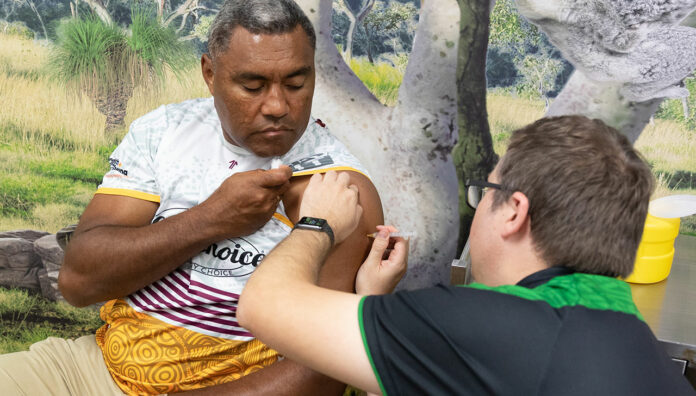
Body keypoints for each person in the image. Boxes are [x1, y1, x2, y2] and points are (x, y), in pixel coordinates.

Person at [0, 1, 383, 395]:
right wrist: (212, 218)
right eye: (253, 86)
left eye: (296, 84)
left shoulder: (338, 191)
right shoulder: (164, 130)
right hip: (93, 368)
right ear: (210, 73)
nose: (277, 106)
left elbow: (320, 372)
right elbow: (79, 282)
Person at [237, 115, 695, 395]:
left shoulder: (496, 327)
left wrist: (318, 223)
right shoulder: (635, 345)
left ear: (514, 211)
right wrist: (373, 299)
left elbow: (262, 305)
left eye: (486, 191)